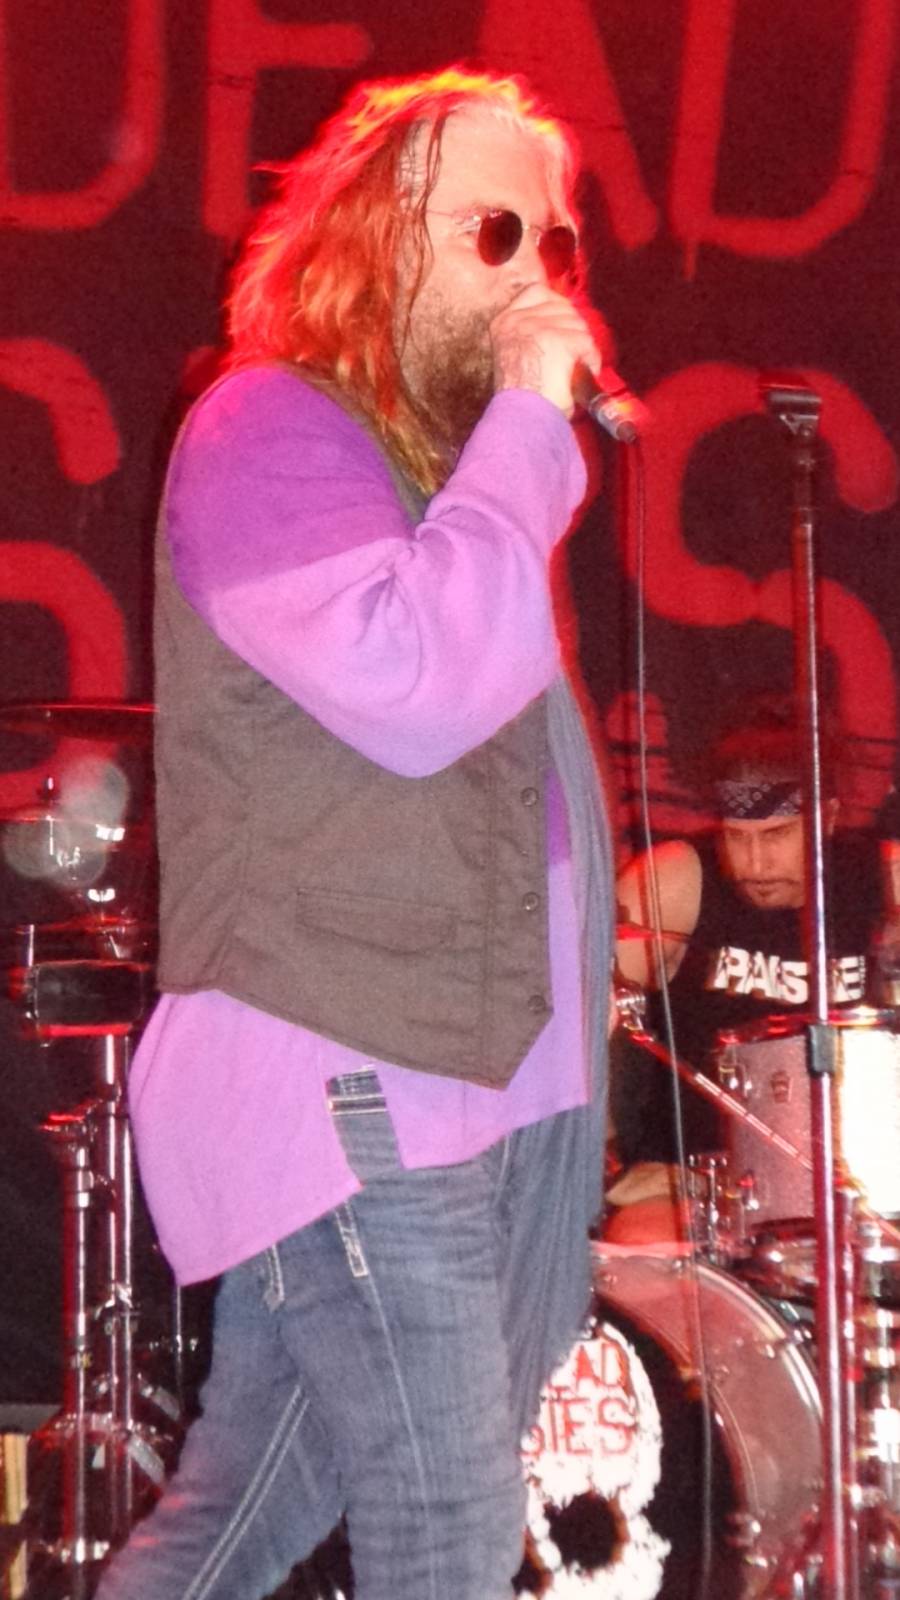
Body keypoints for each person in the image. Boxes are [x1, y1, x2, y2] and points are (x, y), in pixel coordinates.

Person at [94, 66, 614, 1600]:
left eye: (554, 242)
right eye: (495, 232)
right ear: (375, 240)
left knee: (243, 1514)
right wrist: (528, 427)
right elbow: (413, 685)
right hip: (346, 1064)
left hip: (468, 1078)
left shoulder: (459, 482)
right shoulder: (268, 428)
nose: (534, 277)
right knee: (449, 1524)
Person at [606, 696, 884, 1241]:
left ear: (826, 817)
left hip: (859, 1181)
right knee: (641, 1249)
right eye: (738, 837)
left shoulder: (882, 882)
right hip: (691, 1177)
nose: (754, 864)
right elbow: (581, 1025)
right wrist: (604, 1159)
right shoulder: (676, 880)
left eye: (777, 836)